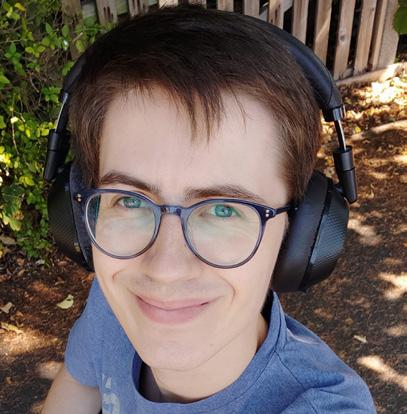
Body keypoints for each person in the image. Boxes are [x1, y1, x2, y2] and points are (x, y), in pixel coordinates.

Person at [41, 4, 376, 413]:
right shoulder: (113, 303)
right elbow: (80, 382)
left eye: (222, 210)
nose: (164, 271)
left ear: (302, 236)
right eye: (129, 200)